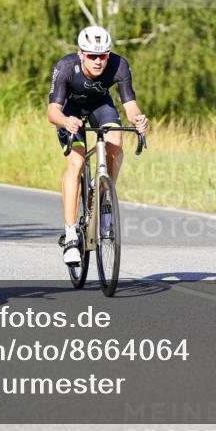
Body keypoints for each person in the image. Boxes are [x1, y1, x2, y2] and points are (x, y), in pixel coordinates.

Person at [47, 26, 148, 265]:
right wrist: (65, 121)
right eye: (92, 55)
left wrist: (139, 119)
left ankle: (104, 198)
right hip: (70, 112)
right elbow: (52, 112)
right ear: (81, 53)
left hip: (101, 106)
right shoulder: (65, 67)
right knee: (77, 162)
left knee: (116, 141)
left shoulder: (119, 65)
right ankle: (71, 235)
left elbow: (130, 104)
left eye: (103, 55)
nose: (98, 61)